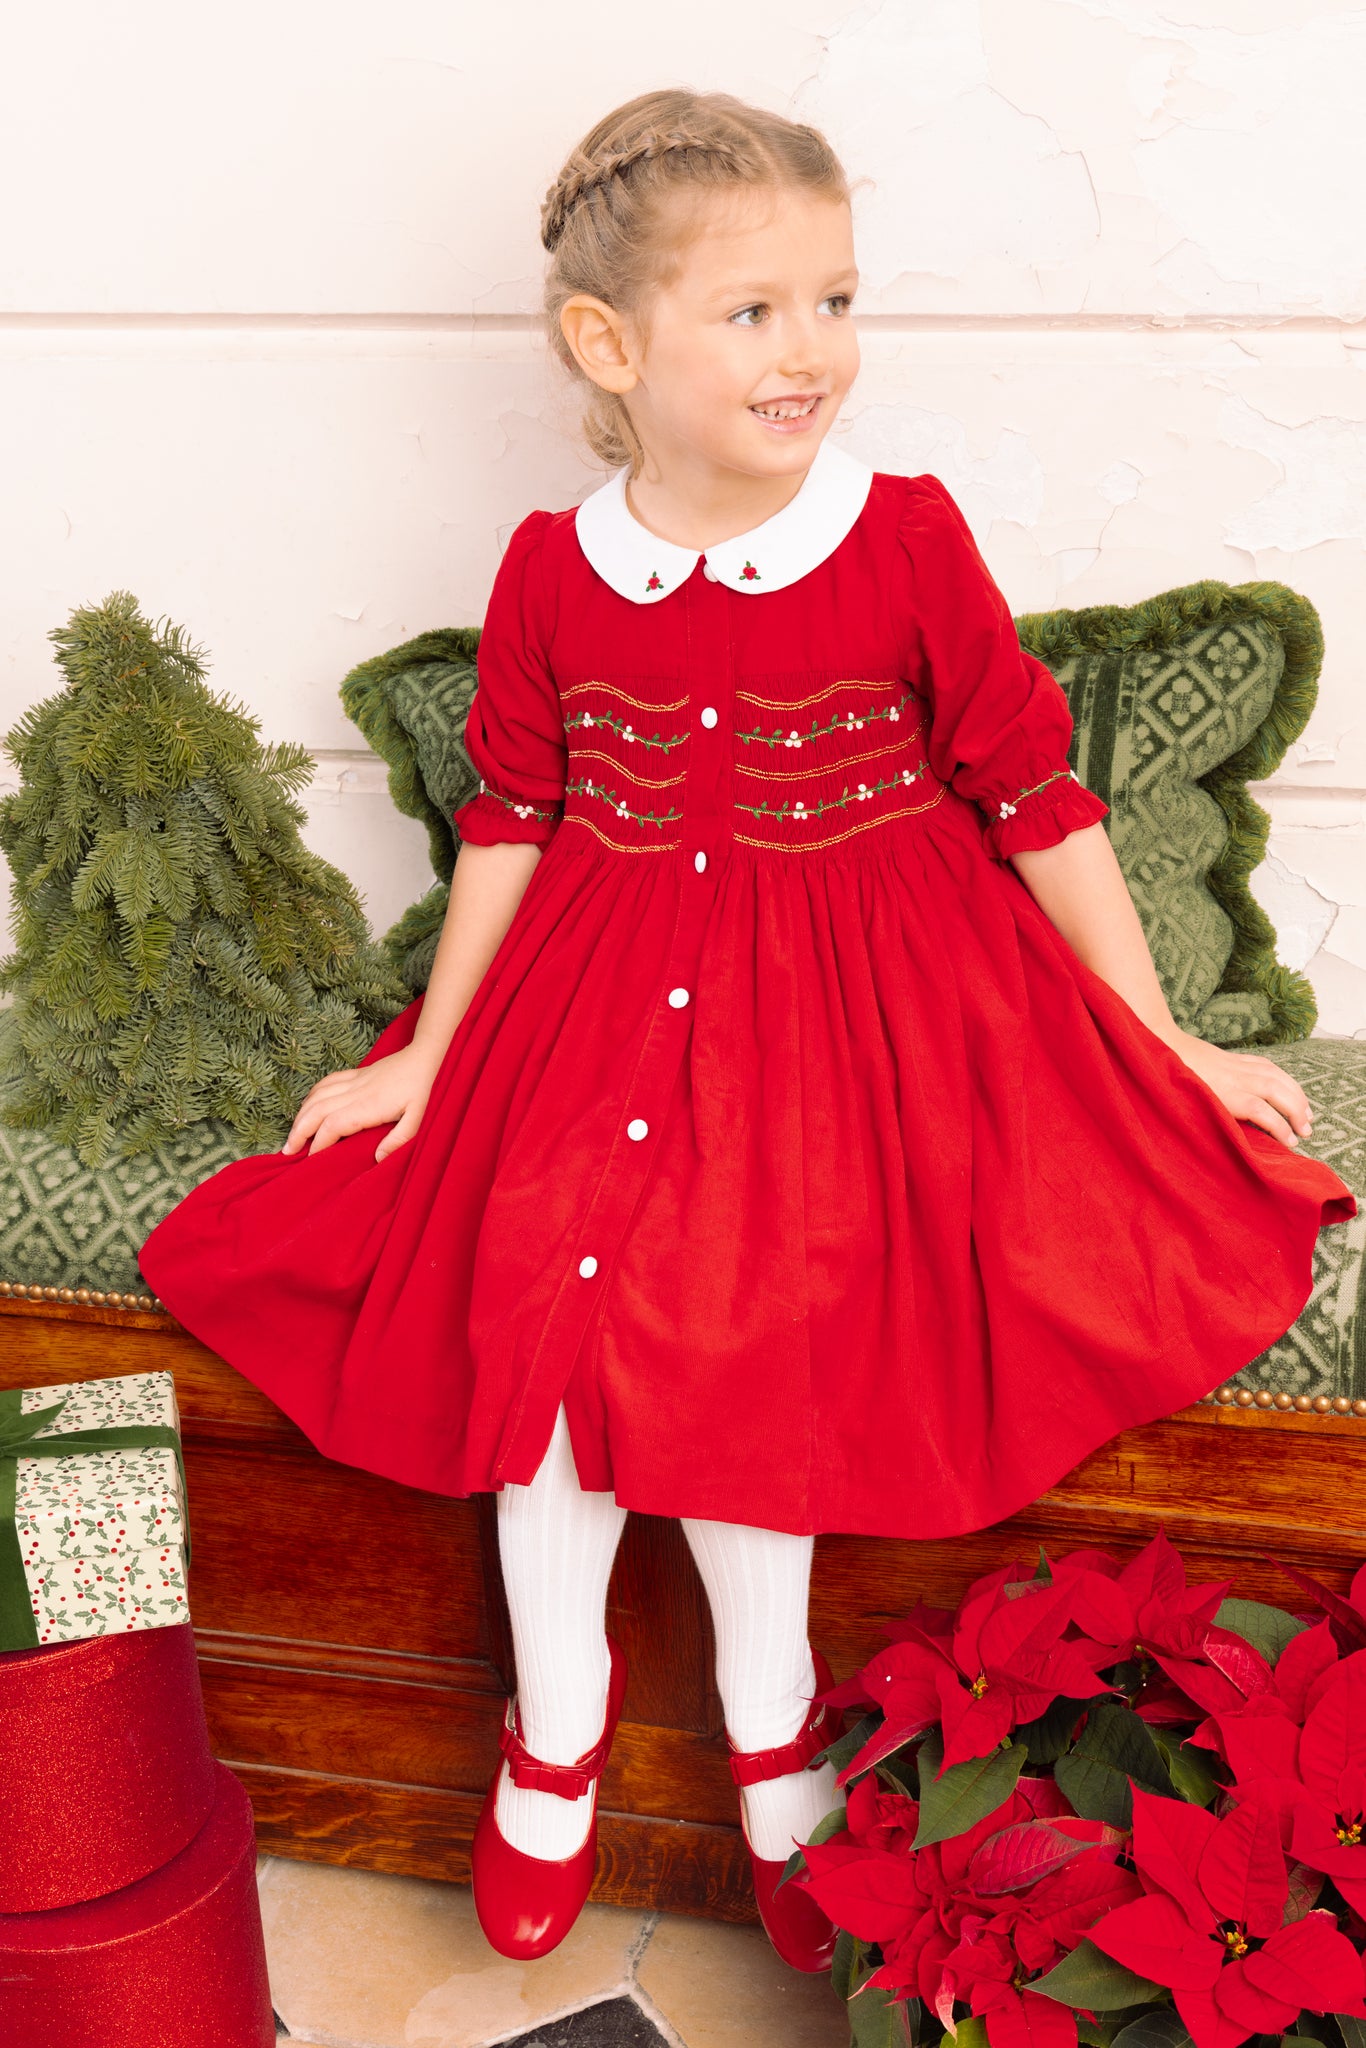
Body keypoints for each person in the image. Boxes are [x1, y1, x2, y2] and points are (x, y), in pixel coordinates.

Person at [139, 87, 1356, 1975]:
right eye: (756, 311)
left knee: (723, 1319)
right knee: (529, 1301)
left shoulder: (900, 541)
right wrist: (428, 1059)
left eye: (836, 300)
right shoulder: (554, 568)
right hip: (598, 1000)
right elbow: (511, 824)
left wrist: (1162, 1045)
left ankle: (770, 1736)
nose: (814, 354)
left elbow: (1035, 801)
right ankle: (553, 1728)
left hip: (853, 1013)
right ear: (608, 347)